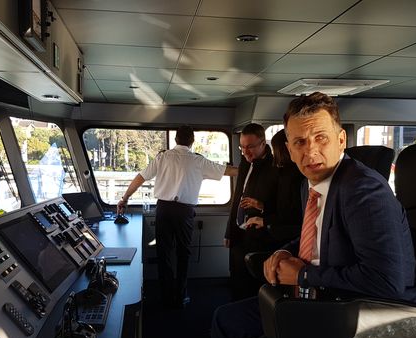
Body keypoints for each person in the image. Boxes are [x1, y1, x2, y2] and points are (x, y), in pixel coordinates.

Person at [211, 92, 416, 338]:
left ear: (340, 141)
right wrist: (284, 251)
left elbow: (386, 283)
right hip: (318, 300)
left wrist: (302, 275)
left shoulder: (364, 191)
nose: (310, 151)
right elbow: (314, 234)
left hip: (358, 316)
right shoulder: (310, 183)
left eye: (320, 138)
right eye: (299, 142)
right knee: (225, 320)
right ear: (288, 148)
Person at [117, 125, 237, 309]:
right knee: (183, 254)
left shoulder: (162, 157)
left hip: (163, 209)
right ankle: (180, 297)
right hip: (184, 212)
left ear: (175, 140)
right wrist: (252, 166)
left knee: (163, 253)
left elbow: (140, 178)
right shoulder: (198, 161)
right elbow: (228, 171)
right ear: (192, 141)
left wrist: (124, 199)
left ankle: (166, 296)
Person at [224, 123, 278, 300]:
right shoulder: (245, 163)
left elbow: (284, 208)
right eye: (242, 147)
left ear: (263, 143)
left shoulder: (275, 167)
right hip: (239, 234)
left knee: (251, 289)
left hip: (260, 238)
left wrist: (262, 205)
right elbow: (236, 198)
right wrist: (229, 232)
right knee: (236, 282)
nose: (245, 152)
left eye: (250, 147)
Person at [245, 129, 304, 249]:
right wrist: (262, 206)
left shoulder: (291, 175)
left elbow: (292, 214)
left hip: (285, 236)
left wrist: (264, 221)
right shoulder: (289, 172)